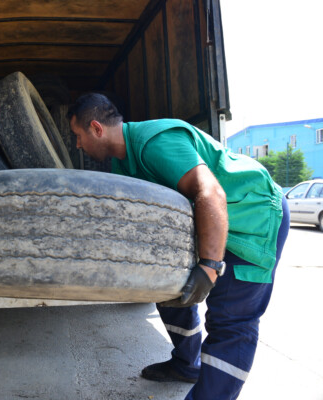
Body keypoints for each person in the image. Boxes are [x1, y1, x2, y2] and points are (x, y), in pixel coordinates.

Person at [67, 93, 289, 400]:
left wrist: (210, 266)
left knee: (230, 322)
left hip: (252, 216)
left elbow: (210, 193)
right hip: (205, 224)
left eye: (77, 136)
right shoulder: (122, 165)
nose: (77, 145)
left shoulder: (155, 142)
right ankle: (186, 363)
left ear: (96, 128)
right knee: (168, 288)